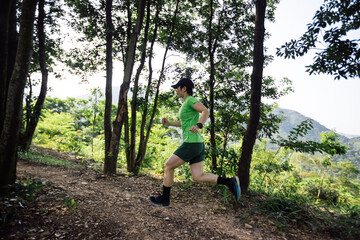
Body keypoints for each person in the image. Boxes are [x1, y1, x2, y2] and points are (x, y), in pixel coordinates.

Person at [149, 78, 240, 207]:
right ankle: (229, 182)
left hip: (191, 143)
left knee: (168, 166)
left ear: (184, 88)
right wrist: (169, 123)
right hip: (197, 144)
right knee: (198, 176)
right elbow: (183, 123)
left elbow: (205, 111)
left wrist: (198, 125)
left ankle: (165, 198)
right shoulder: (186, 103)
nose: (176, 90)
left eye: (177, 88)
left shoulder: (190, 100)